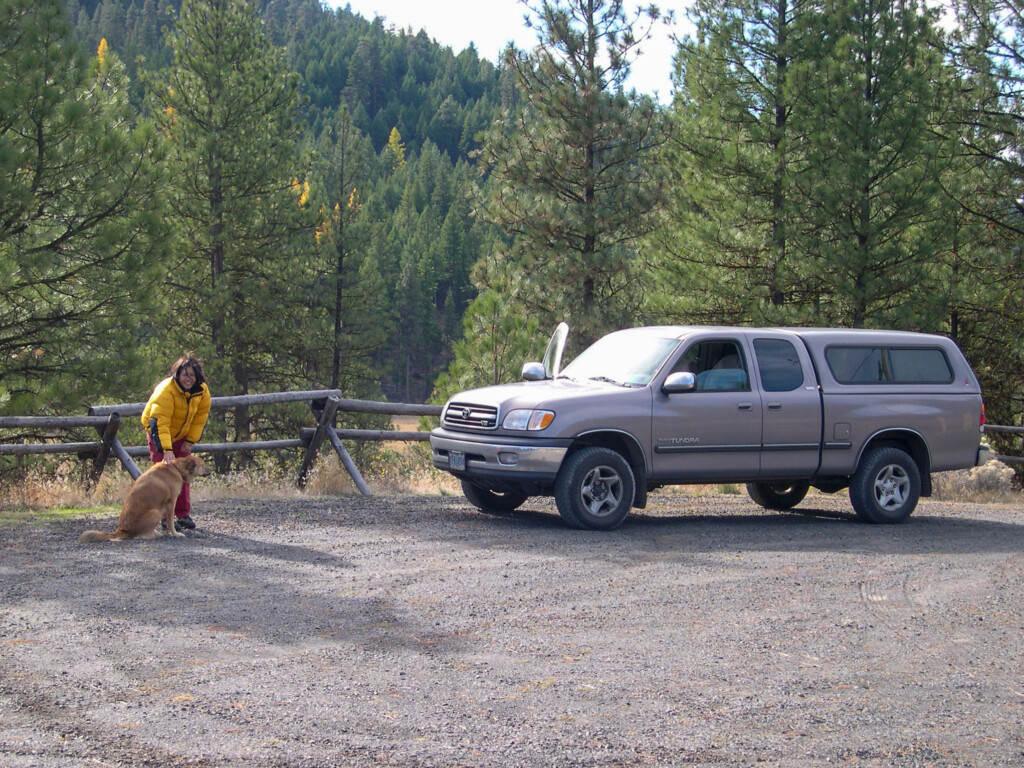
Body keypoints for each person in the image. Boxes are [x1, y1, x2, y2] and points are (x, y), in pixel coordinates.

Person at [140, 353, 212, 531]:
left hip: (182, 436)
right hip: (159, 433)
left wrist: (190, 440)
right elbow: (159, 422)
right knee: (164, 476)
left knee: (186, 474)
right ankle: (165, 517)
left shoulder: (202, 391)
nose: (188, 379)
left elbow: (200, 417)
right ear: (177, 374)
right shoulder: (166, 390)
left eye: (192, 375)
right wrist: (166, 449)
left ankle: (183, 514)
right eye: (185, 374)